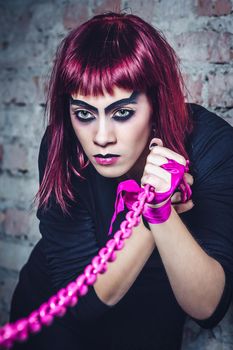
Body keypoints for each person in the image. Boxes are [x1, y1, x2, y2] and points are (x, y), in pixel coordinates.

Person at [9, 11, 233, 350]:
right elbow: (82, 307)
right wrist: (152, 211)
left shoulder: (210, 143)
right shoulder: (64, 142)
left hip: (145, 331)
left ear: (157, 103)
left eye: (123, 113)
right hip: (54, 332)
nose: (101, 137)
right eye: (84, 114)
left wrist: (161, 213)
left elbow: (208, 307)